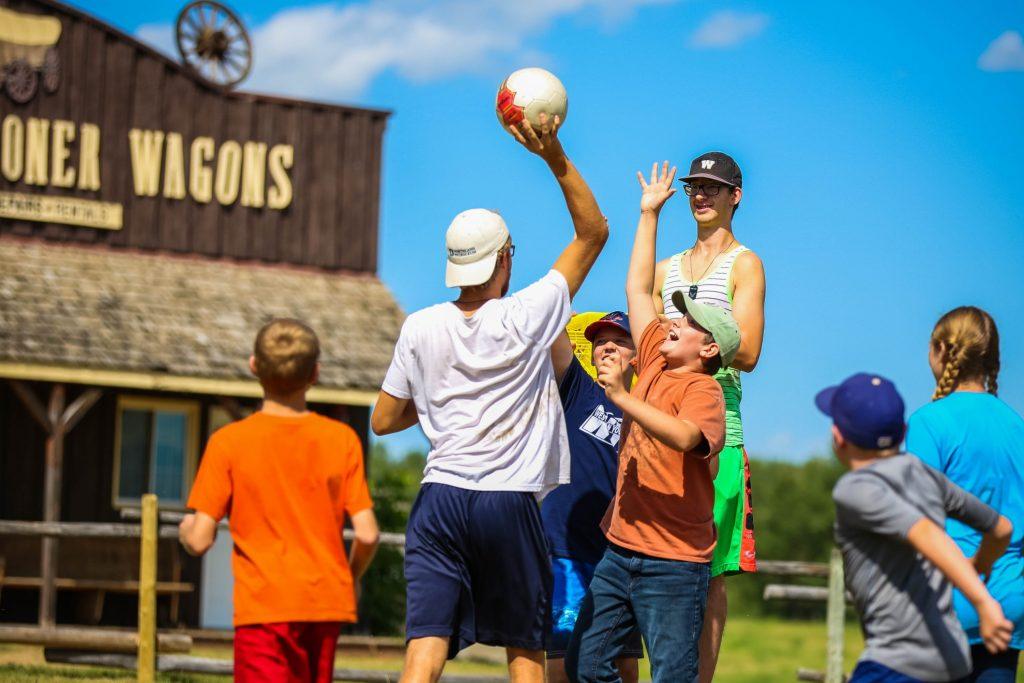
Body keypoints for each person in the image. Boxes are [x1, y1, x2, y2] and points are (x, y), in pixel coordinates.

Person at [370, 114, 608, 683]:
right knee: (524, 647)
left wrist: (438, 395)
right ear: (504, 259)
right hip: (506, 499)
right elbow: (593, 231)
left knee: (423, 650)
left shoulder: (420, 325)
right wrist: (553, 155)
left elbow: (383, 419)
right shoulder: (528, 314)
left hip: (438, 499)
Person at [566, 160, 740, 683]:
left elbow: (689, 436)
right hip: (622, 550)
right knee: (586, 665)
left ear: (709, 346)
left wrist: (623, 396)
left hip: (674, 563)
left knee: (670, 675)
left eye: (687, 322)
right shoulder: (657, 355)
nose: (673, 321)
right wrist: (649, 215)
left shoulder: (704, 390)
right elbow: (639, 291)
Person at [179, 319, 380, 683]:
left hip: (265, 607)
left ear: (254, 365)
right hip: (325, 605)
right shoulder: (342, 440)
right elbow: (367, 535)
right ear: (315, 373)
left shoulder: (229, 442)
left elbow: (198, 539)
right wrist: (348, 577)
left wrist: (185, 530)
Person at [816, 372, 1015, 682]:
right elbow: (1001, 529)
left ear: (838, 437)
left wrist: (983, 602)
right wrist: (978, 565)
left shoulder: (854, 489)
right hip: (954, 662)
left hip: (896, 664)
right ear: (903, 431)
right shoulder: (925, 475)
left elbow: (924, 533)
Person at [652, 152, 765, 682]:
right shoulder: (665, 268)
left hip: (720, 432)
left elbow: (749, 350)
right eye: (695, 187)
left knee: (709, 575)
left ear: (734, 197)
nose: (701, 196)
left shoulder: (745, 263)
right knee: (657, 564)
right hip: (661, 427)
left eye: (713, 189)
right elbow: (648, 342)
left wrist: (693, 342)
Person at [906, 307, 1024, 682]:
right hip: (1008, 601)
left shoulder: (928, 422)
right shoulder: (1017, 426)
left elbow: (917, 521)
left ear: (941, 350)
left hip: (946, 602)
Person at [546, 311, 642, 683]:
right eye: (599, 341)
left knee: (623, 663)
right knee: (561, 658)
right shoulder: (578, 388)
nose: (606, 346)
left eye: (619, 341)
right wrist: (556, 307)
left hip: (620, 551)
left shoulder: (649, 407)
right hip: (565, 547)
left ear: (639, 354)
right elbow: (553, 335)